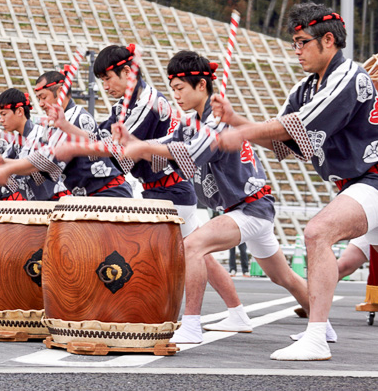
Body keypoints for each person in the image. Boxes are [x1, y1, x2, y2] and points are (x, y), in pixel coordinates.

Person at [214, 2, 378, 360]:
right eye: (295, 43)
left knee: (318, 231)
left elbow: (297, 126)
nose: (297, 50)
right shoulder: (304, 90)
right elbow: (284, 142)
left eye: (302, 41)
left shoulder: (350, 77)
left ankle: (317, 336)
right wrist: (237, 120)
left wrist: (241, 133)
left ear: (328, 40)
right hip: (363, 187)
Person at [119, 50, 319, 344]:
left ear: (201, 85)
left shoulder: (217, 120)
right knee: (282, 276)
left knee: (193, 246)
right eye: (173, 89)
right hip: (244, 208)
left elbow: (192, 154)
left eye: (180, 88)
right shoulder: (192, 122)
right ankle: (321, 322)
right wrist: (136, 144)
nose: (176, 95)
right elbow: (165, 144)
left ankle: (191, 324)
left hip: (250, 207)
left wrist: (139, 148)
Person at [52, 44, 253, 333]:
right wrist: (69, 129)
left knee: (158, 254)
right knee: (200, 254)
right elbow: (101, 138)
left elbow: (115, 148)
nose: (105, 86)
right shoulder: (125, 105)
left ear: (126, 72)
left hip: (169, 189)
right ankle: (236, 311)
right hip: (160, 188)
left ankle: (153, 315)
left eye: (108, 78)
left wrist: (74, 146)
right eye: (101, 81)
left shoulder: (146, 104)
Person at [0, 70, 133, 198]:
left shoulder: (79, 118)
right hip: (87, 197)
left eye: (43, 97)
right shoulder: (50, 127)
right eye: (38, 98)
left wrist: (6, 166)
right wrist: (5, 164)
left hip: (109, 194)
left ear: (60, 92)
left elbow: (44, 161)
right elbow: (39, 165)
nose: (40, 103)